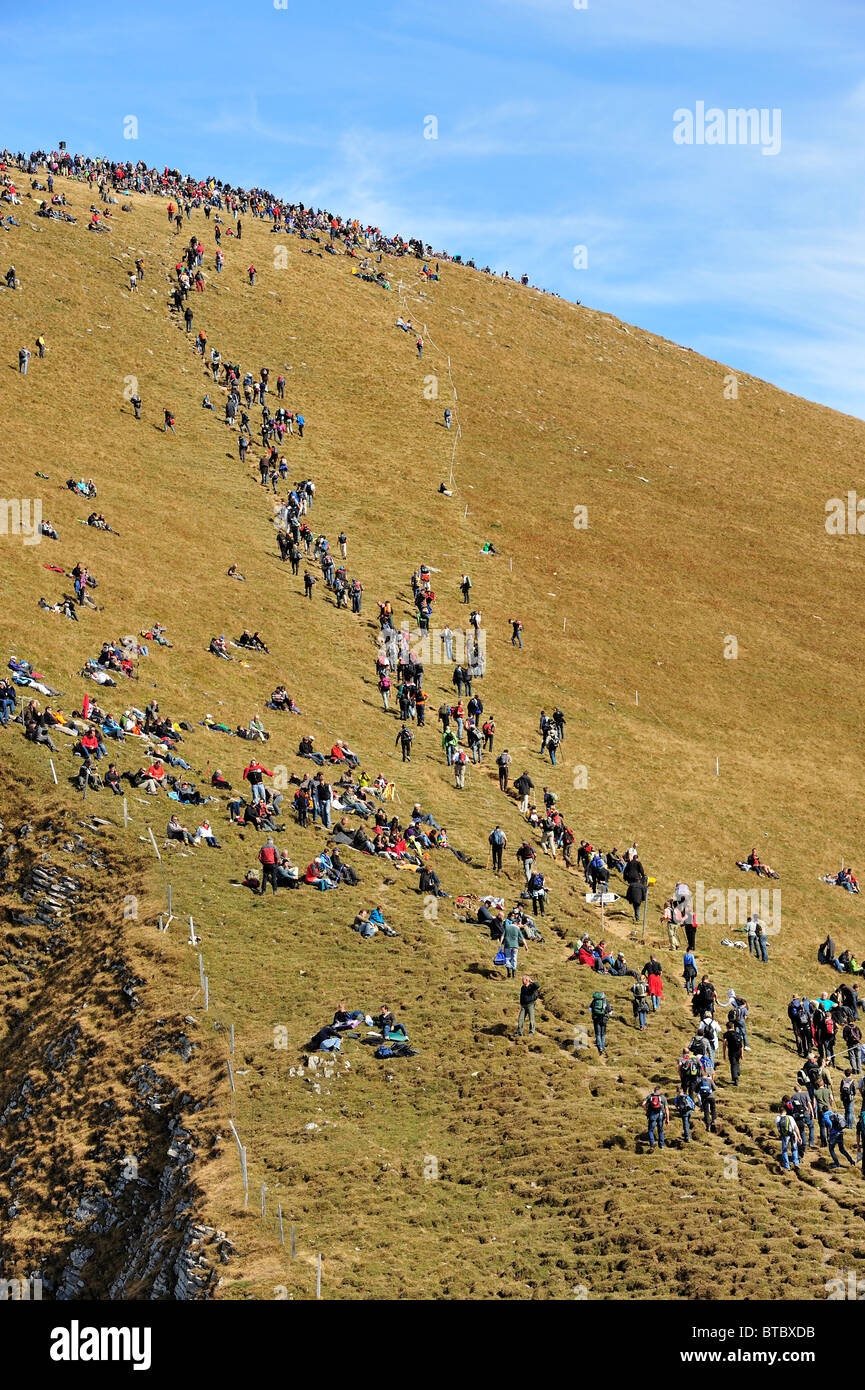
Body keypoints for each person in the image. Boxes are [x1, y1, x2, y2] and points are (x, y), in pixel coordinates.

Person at [501, 915, 528, 980]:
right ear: (516, 923)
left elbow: (502, 936)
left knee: (507, 958)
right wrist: (526, 946)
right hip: (515, 946)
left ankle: (509, 972)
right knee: (514, 958)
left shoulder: (507, 927)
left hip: (507, 945)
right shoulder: (517, 929)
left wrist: (500, 944)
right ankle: (514, 973)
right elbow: (522, 938)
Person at [776, 1103, 802, 1171]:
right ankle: (796, 1163)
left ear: (779, 1112)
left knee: (784, 1150)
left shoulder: (777, 1118)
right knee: (794, 1149)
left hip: (784, 1136)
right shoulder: (790, 1117)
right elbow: (795, 1127)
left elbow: (778, 1128)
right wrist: (799, 1136)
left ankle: (787, 1166)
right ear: (785, 1112)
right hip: (793, 1134)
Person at [722, 1021, 744, 1086]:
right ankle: (738, 1071)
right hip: (738, 1050)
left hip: (732, 1051)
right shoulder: (737, 1033)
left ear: (727, 1027)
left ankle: (735, 1078)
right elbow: (741, 1044)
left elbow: (724, 1043)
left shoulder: (726, 1034)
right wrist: (742, 1054)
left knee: (733, 1064)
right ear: (733, 1026)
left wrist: (724, 1053)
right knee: (737, 1061)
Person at [589, 990, 611, 1054]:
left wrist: (594, 1012)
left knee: (597, 1033)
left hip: (596, 1019)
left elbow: (590, 1009)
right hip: (604, 1019)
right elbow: (610, 1011)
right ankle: (603, 1047)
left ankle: (599, 1047)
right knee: (603, 1034)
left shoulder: (594, 1001)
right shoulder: (605, 1001)